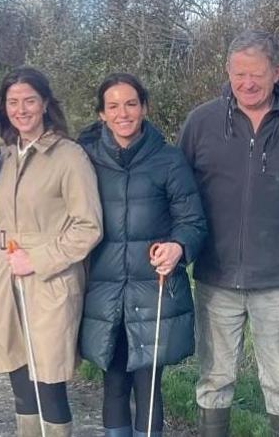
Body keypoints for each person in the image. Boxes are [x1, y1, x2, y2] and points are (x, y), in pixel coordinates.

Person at [178, 29, 279, 437]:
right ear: (228, 71)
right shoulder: (201, 122)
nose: (247, 83)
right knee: (214, 380)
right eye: (239, 73)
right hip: (216, 275)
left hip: (278, 280)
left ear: (277, 72)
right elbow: (181, 191)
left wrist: (277, 232)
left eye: (257, 74)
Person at [78, 73, 207, 437]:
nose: (123, 113)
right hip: (104, 292)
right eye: (113, 106)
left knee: (148, 383)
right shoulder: (85, 160)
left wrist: (178, 246)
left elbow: (193, 220)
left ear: (145, 108)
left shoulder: (169, 160)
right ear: (102, 114)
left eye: (131, 104)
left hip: (153, 290)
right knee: (114, 380)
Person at [0, 66, 102, 437]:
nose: (21, 109)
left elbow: (89, 226)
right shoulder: (4, 156)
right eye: (13, 102)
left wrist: (38, 259)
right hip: (7, 280)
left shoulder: (69, 157)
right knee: (19, 377)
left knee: (48, 381)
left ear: (45, 103)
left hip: (50, 282)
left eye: (29, 100)